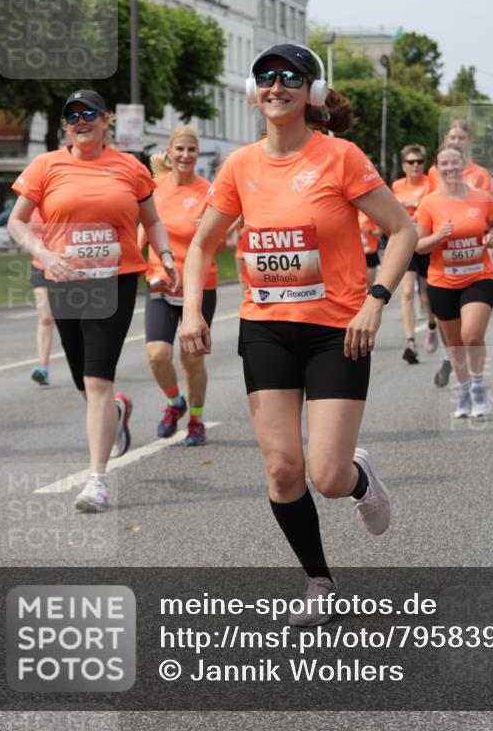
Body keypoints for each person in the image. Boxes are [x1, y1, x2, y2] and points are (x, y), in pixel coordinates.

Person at [179, 43, 416, 624]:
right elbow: (201, 245)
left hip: (338, 332)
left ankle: (360, 479)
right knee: (283, 469)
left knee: (327, 477)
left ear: (312, 91)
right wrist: (192, 312)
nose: (276, 85)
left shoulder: (340, 157)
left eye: (290, 77)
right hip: (267, 331)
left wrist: (376, 301)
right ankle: (319, 581)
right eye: (265, 76)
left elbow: (403, 231)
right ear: (252, 91)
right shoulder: (239, 166)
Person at [8, 90, 178, 512]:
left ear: (106, 121)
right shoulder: (46, 165)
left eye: (89, 114)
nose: (80, 121)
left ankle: (96, 482)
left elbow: (153, 220)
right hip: (65, 280)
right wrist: (44, 254)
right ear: (66, 126)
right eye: (72, 116)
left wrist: (166, 255)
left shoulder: (130, 167)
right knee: (84, 381)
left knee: (98, 378)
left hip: (114, 281)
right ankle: (116, 413)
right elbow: (16, 222)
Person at [140, 127, 218, 446]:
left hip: (198, 285)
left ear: (197, 154)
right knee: (158, 355)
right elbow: (144, 230)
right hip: (160, 281)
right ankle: (175, 403)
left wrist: (211, 230)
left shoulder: (209, 192)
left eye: (191, 150)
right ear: (170, 152)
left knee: (192, 359)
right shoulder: (154, 187)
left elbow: (221, 238)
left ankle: (196, 420)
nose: (185, 155)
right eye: (180, 149)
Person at [414, 144, 493, 419]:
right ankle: (463, 391)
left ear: (464, 164)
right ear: (437, 168)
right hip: (442, 282)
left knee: (472, 336)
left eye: (455, 162)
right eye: (444, 163)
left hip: (479, 276)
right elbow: (419, 246)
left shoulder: (482, 198)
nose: (450, 167)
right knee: (454, 342)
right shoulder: (429, 203)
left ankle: (478, 387)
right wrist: (439, 236)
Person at [427, 120, 493, 389]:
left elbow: (491, 210)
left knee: (470, 333)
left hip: (473, 255)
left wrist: (491, 234)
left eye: (460, 137)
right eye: (452, 137)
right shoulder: (435, 170)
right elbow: (428, 201)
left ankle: (466, 369)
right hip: (439, 246)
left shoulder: (480, 174)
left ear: (469, 141)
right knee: (436, 303)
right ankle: (450, 352)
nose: (456, 141)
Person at [391, 143, 437, 363]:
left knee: (426, 294)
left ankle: (432, 325)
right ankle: (410, 342)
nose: (416, 165)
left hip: (426, 243)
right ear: (404, 165)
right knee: (407, 291)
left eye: (419, 161)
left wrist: (411, 203)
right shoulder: (397, 186)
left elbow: (434, 206)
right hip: (406, 243)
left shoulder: (431, 183)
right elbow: (393, 210)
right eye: (411, 162)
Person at [29, 207, 54, 385]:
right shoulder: (31, 202)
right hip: (40, 266)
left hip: (67, 265)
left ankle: (91, 365)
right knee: (45, 318)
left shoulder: (62, 197)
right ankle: (43, 367)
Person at [358, 210, 382, 288]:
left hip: (370, 253)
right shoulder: (354, 212)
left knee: (370, 285)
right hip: (357, 253)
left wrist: (369, 232)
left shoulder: (370, 213)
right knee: (359, 284)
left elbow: (380, 233)